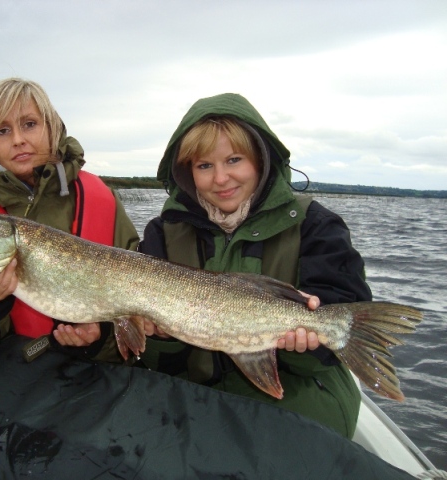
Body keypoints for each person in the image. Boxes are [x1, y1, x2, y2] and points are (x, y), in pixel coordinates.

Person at [135, 93, 372, 438]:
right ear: (187, 172)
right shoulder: (164, 231)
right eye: (204, 166)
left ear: (261, 159)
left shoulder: (316, 224)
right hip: (197, 392)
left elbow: (342, 304)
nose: (221, 178)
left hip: (300, 389)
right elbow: (158, 360)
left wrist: (307, 346)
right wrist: (157, 336)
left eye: (234, 160)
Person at [0, 78, 139, 358]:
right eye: (2, 131)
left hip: (94, 378)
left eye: (29, 124)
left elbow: (138, 319)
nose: (18, 140)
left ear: (52, 129)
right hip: (12, 379)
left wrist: (100, 337)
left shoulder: (102, 198)